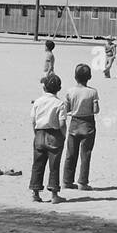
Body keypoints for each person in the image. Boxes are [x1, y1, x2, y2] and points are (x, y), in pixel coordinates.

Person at [29, 74, 68, 204]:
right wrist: (63, 135)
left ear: (44, 87)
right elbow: (62, 123)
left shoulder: (38, 101)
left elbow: (33, 120)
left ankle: (35, 192)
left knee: (38, 164)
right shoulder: (59, 103)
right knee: (54, 165)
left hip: (39, 133)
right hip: (54, 135)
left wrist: (36, 133)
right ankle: (54, 194)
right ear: (59, 88)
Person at [62, 63, 100, 190]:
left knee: (71, 154)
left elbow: (66, 109)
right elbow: (96, 110)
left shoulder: (70, 91)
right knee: (86, 154)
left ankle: (67, 180)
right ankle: (83, 182)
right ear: (89, 77)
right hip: (88, 123)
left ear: (75, 77)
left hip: (74, 122)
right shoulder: (93, 92)